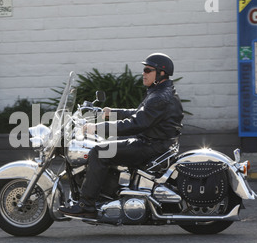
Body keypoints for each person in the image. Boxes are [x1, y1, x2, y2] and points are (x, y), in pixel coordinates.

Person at [59, 53, 184, 218]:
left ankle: (86, 205)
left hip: (151, 145)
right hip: (154, 141)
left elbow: (136, 124)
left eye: (148, 70)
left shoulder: (159, 97)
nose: (143, 73)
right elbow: (140, 114)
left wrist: (96, 128)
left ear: (161, 73)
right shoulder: (159, 91)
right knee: (108, 146)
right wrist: (112, 113)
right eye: (144, 70)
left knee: (99, 151)